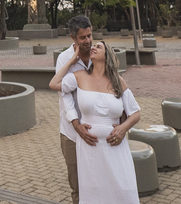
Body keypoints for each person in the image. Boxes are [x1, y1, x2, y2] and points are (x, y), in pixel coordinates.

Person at [51, 39, 141, 204]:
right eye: (94, 46)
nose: (93, 47)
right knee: (94, 191)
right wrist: (72, 60)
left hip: (115, 146)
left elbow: (135, 113)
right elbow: (54, 83)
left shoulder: (118, 82)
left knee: (121, 189)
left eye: (98, 47)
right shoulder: (80, 77)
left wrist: (123, 129)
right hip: (89, 148)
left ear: (107, 55)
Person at [55, 15, 94, 204]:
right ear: (73, 38)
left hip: (95, 129)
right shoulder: (64, 59)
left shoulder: (98, 56)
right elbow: (64, 95)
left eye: (89, 36)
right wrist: (76, 123)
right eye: (82, 38)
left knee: (97, 180)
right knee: (77, 185)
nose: (87, 41)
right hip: (71, 132)